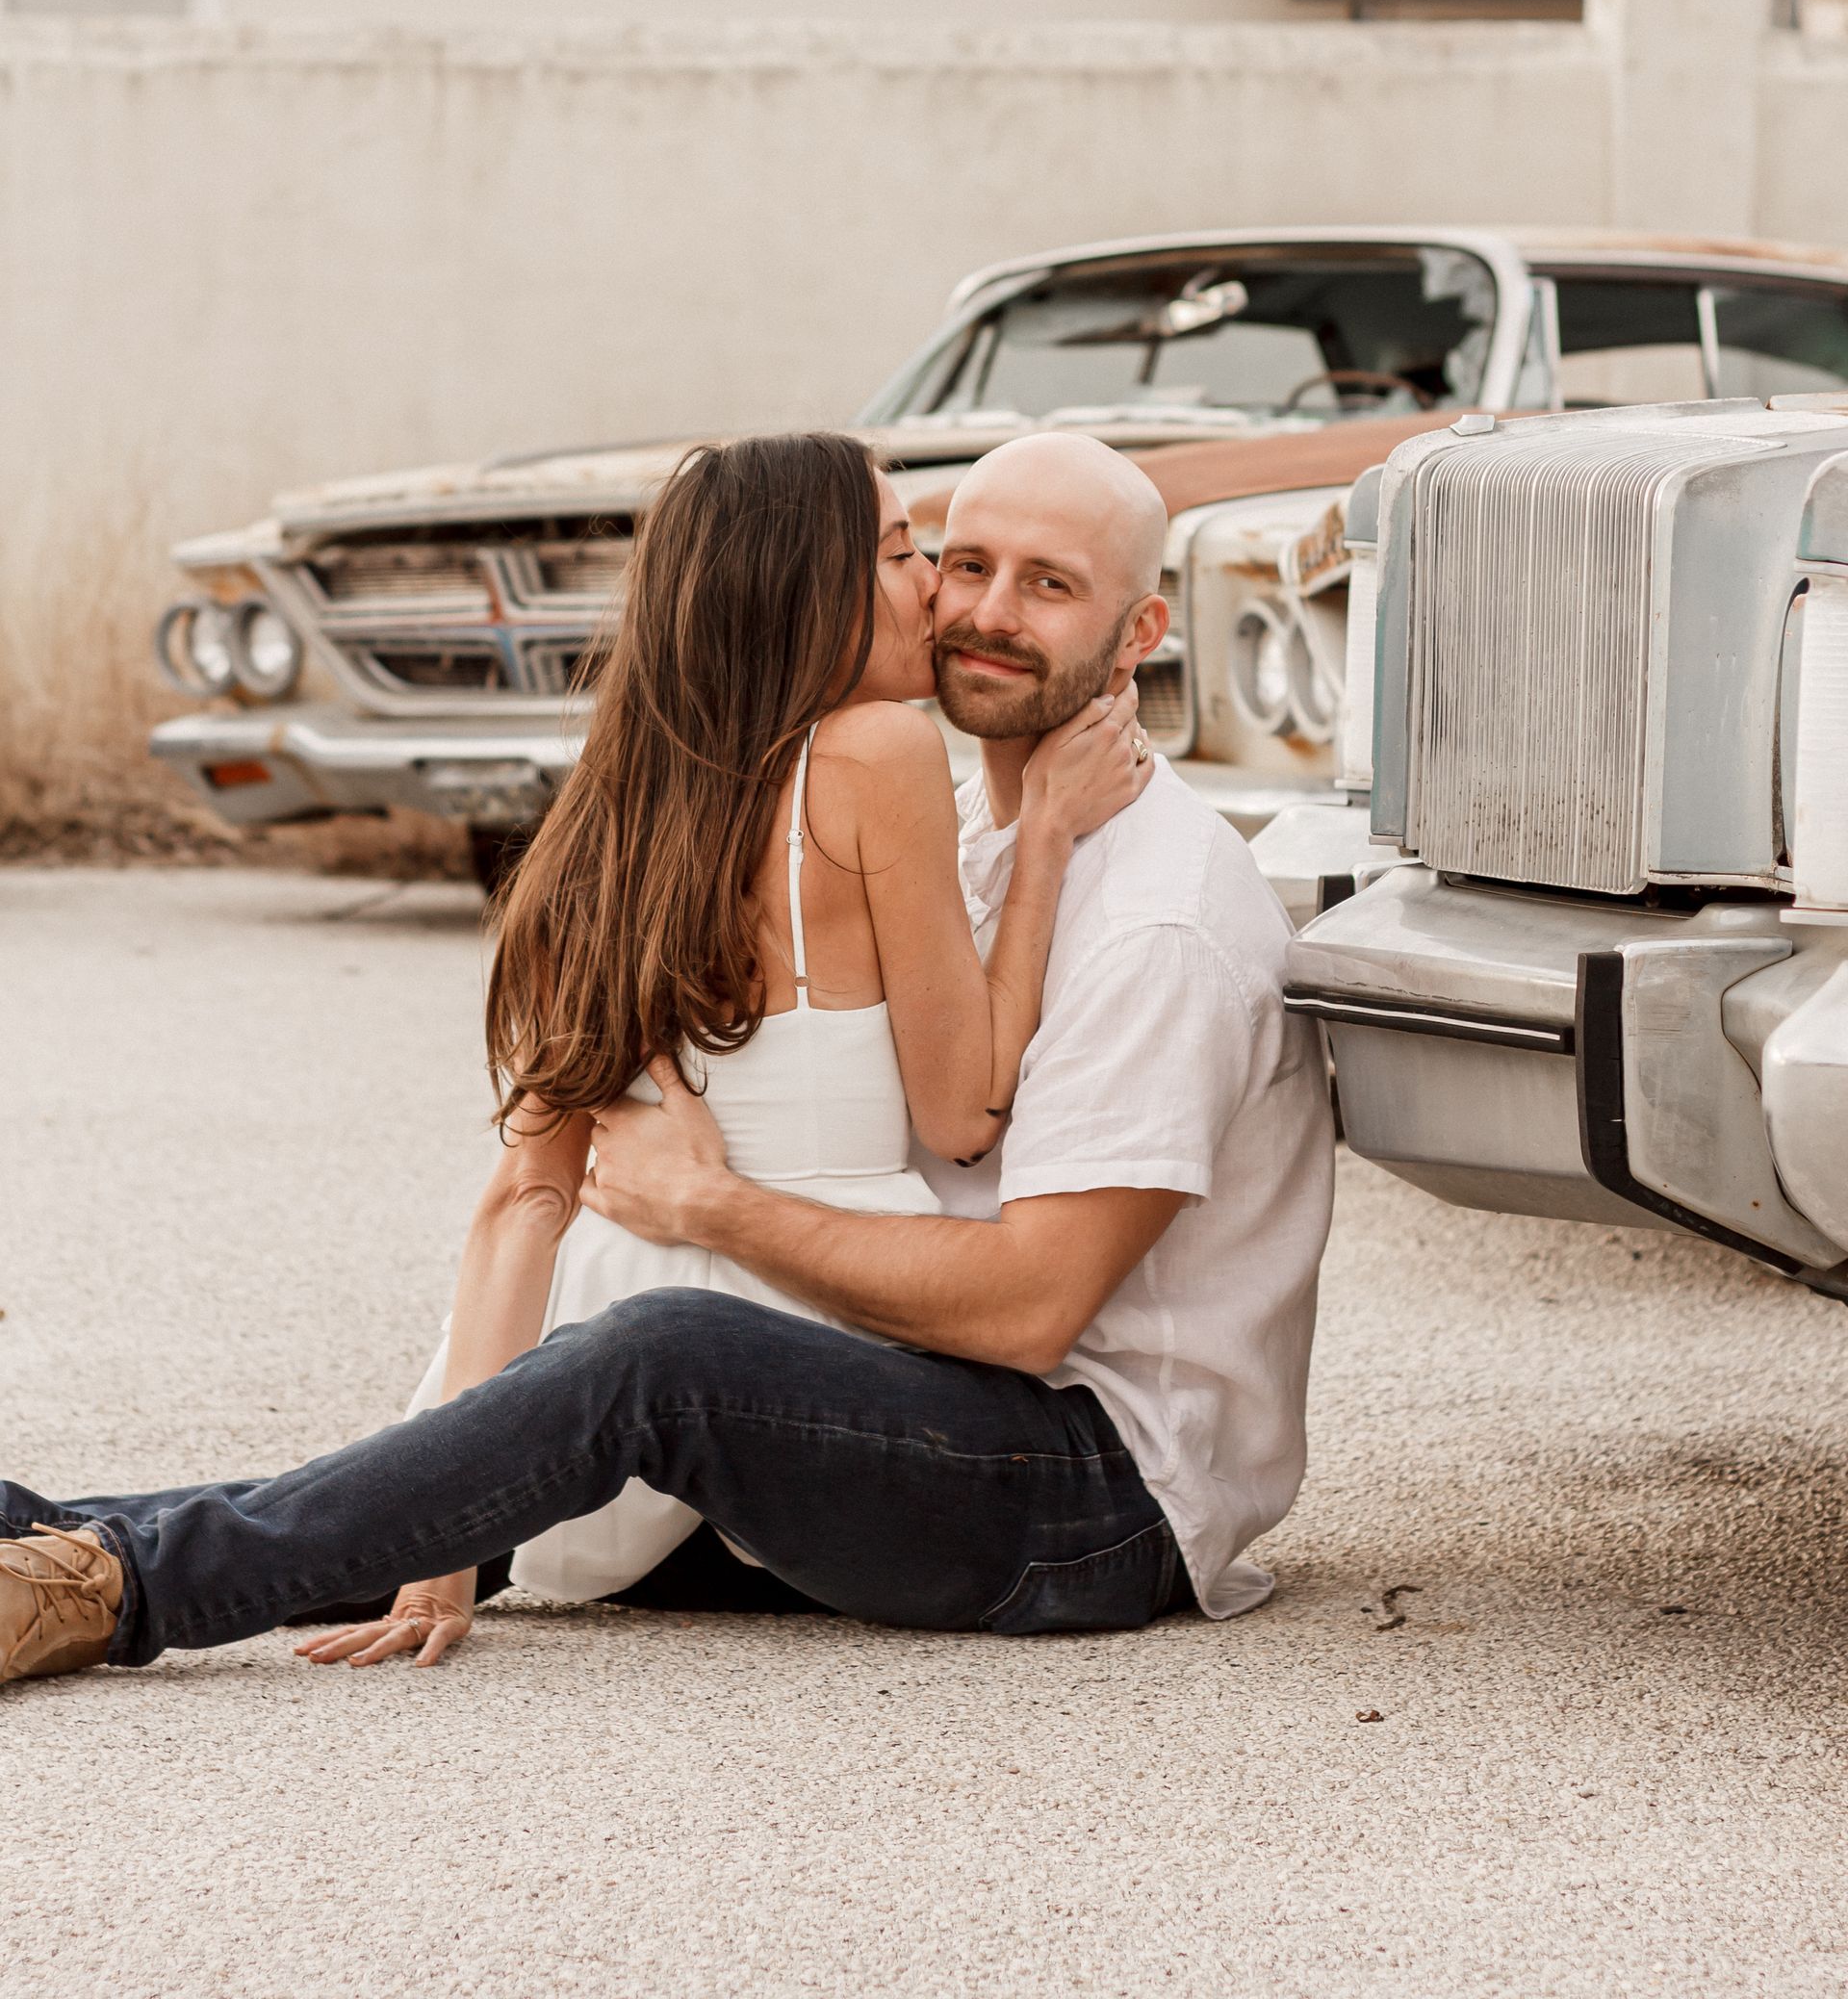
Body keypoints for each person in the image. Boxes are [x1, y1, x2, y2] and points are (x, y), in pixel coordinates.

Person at [0, 432, 1334, 1684]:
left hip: (1087, 1492)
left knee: (649, 1359)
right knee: (471, 1462)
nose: (973, 608)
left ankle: (121, 1586)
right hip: (894, 1393)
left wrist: (715, 1207)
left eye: (1048, 586)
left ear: (1141, 632)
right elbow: (532, 1190)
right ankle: (41, 1539)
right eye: (958, 560)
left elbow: (1033, 1308)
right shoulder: (968, 836)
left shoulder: (1161, 913)